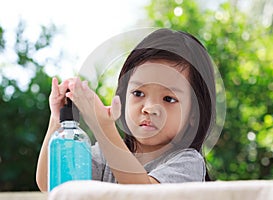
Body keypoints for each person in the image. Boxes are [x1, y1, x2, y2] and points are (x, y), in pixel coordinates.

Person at [36, 28, 216, 191]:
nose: (149, 108)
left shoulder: (187, 162)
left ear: (194, 113)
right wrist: (59, 119)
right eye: (138, 93)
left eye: (169, 99)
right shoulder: (103, 156)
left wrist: (103, 127)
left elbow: (146, 194)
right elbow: (51, 184)